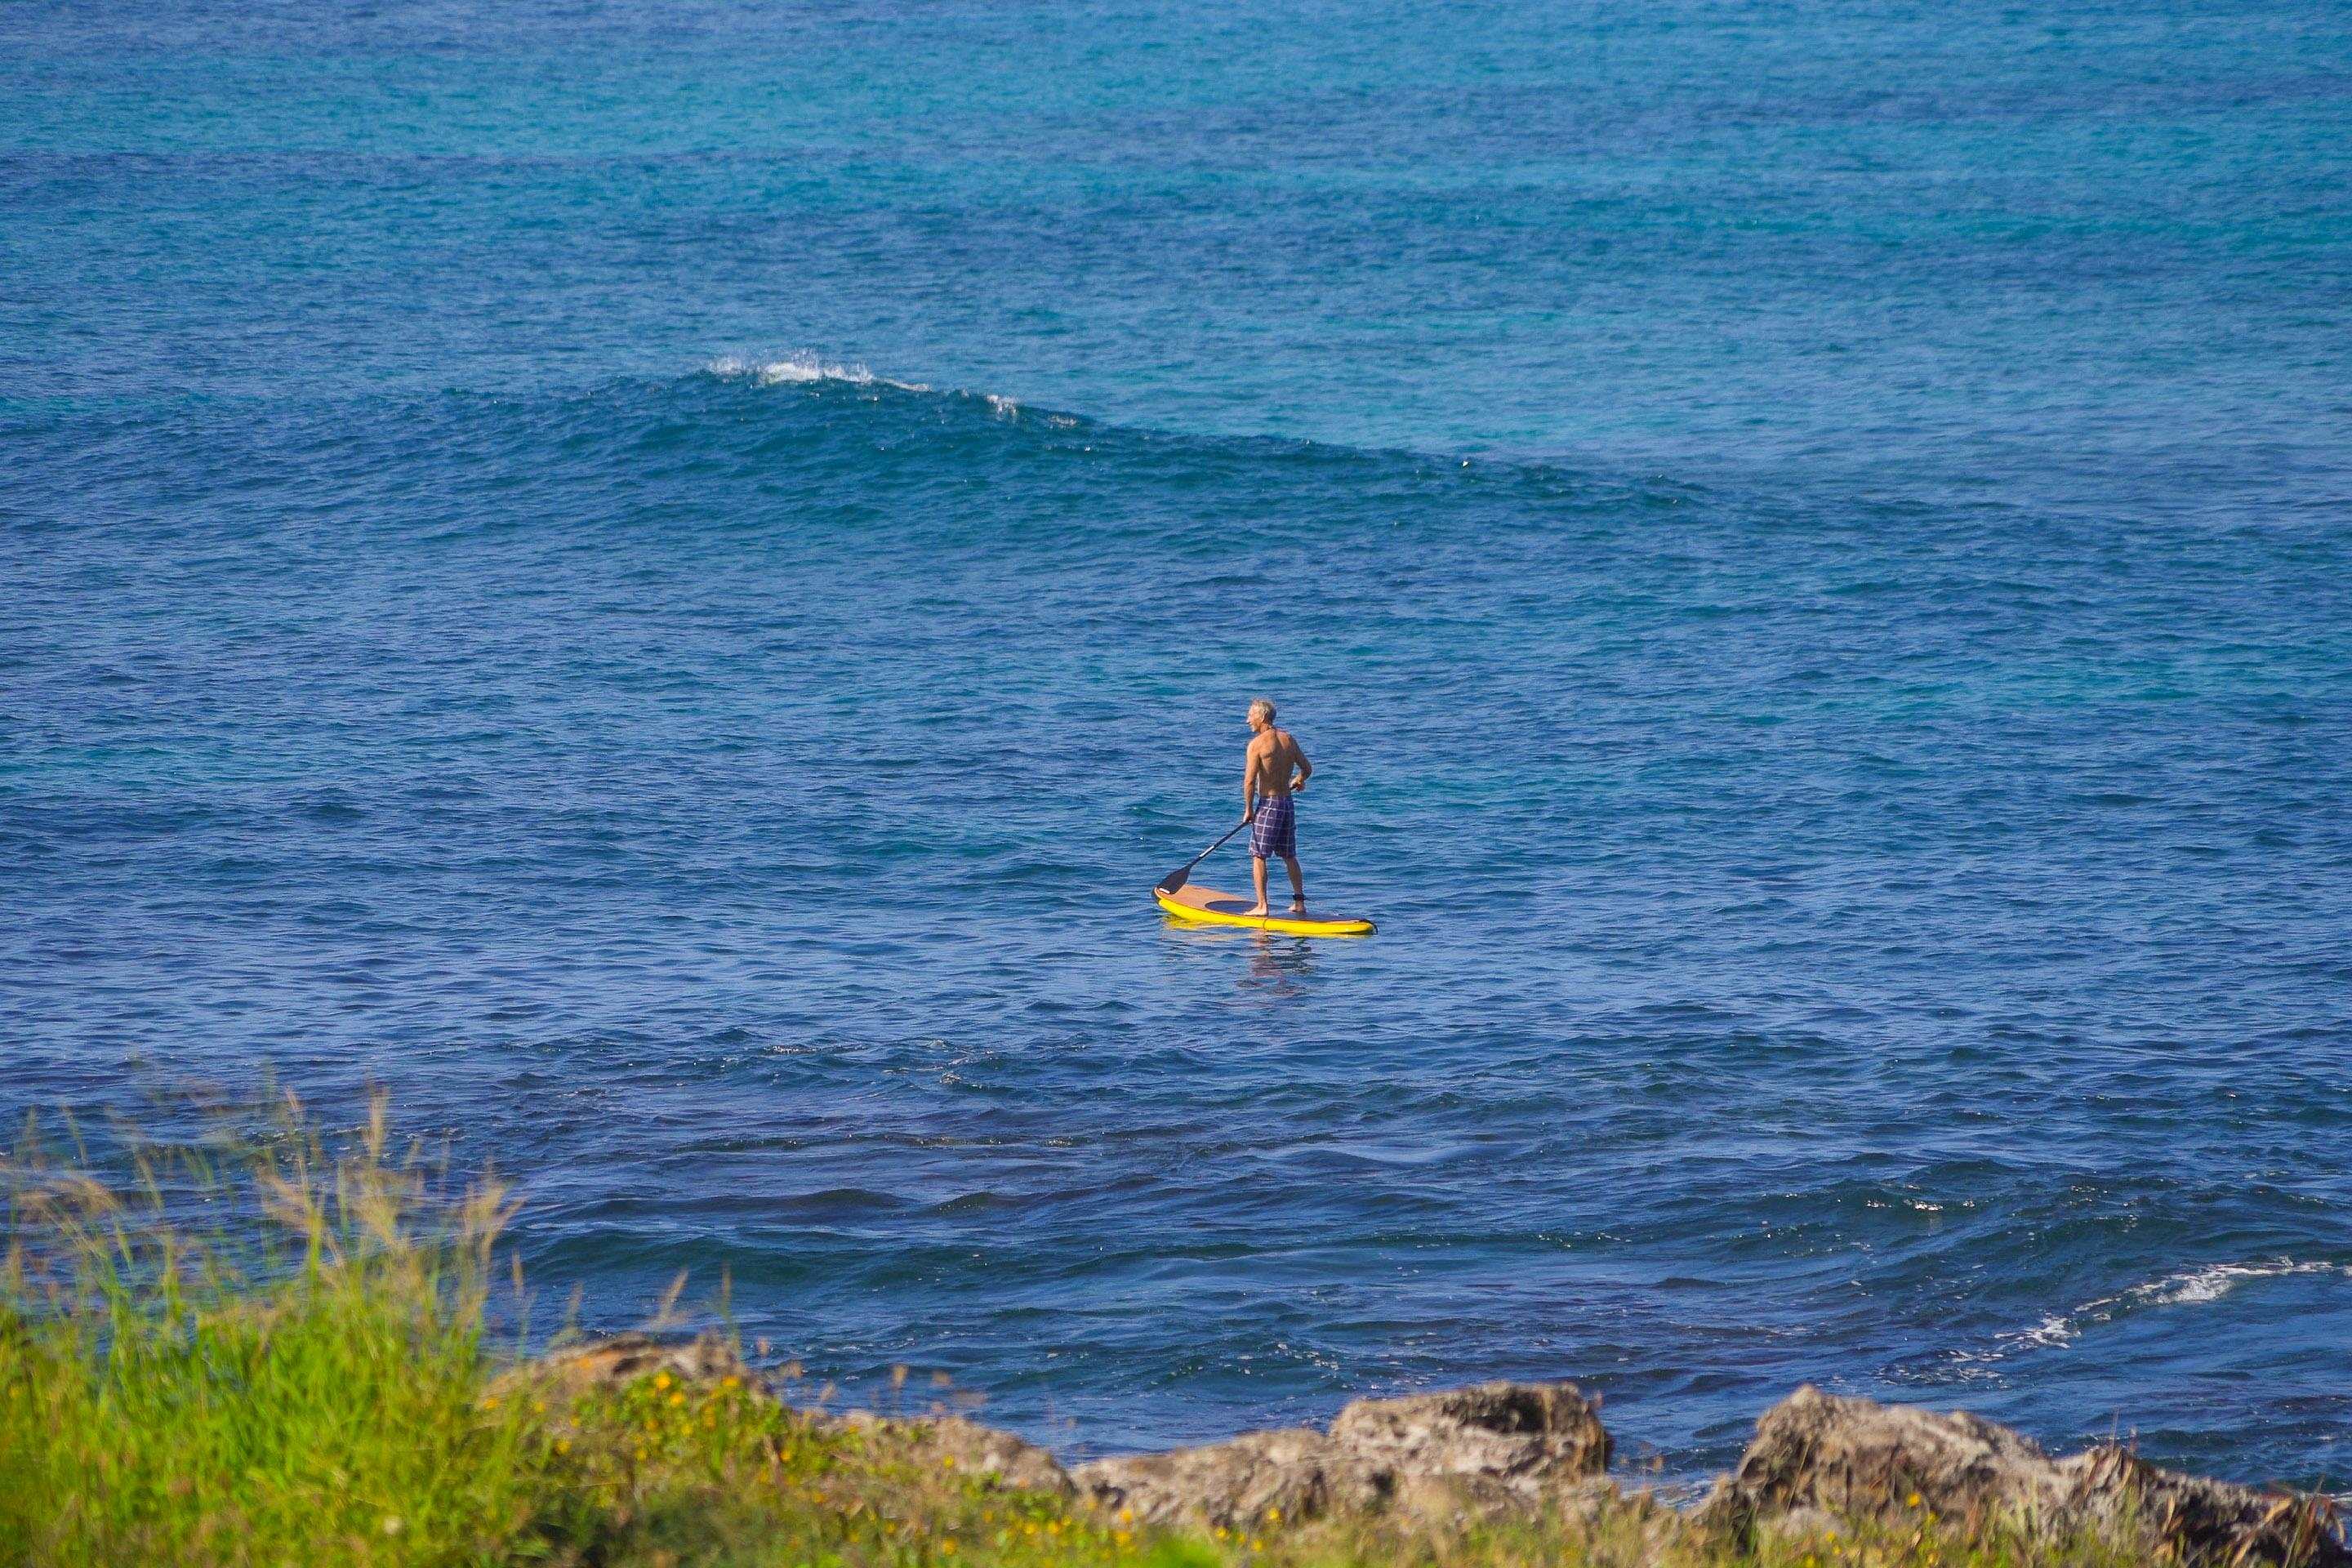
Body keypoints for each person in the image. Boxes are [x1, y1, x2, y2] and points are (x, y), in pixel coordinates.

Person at [1241, 698, 1312, 916]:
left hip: (1269, 804)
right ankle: (1299, 902)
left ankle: (1262, 906)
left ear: (1262, 717)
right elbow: (1307, 768)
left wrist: (1249, 810)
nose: (1247, 721)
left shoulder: (1257, 745)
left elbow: (1250, 782)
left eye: (1250, 716)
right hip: (1286, 804)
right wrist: (1299, 779)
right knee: (1289, 854)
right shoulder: (1288, 739)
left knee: (1259, 855)